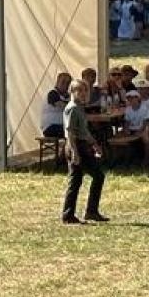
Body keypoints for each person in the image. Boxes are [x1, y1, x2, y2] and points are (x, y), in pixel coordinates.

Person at [60, 80, 107, 225]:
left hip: (82, 145)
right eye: (79, 90)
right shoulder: (73, 108)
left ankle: (75, 214)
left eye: (85, 90)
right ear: (72, 91)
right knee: (94, 177)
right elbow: (70, 133)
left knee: (78, 180)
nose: (83, 93)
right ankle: (79, 213)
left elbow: (84, 131)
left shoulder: (79, 108)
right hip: (76, 146)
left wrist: (94, 144)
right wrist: (75, 152)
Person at [124, 83, 149, 166]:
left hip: (143, 127)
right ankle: (128, 158)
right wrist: (126, 129)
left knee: (146, 139)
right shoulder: (128, 109)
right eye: (129, 98)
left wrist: (140, 130)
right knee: (123, 136)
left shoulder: (143, 108)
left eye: (133, 98)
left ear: (137, 99)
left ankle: (146, 158)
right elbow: (127, 121)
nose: (131, 100)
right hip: (133, 128)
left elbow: (146, 121)